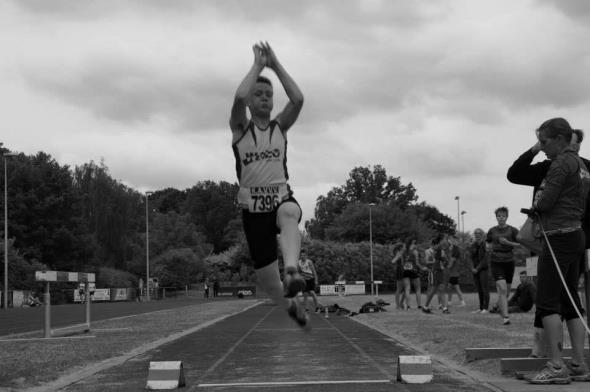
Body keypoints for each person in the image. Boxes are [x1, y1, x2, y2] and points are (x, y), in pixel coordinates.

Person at [230, 42, 307, 328]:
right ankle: (290, 303)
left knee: (290, 213)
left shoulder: (280, 127)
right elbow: (238, 96)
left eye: (268, 95)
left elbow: (298, 99)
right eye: (258, 94)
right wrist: (257, 66)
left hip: (280, 199)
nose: (264, 98)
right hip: (253, 213)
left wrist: (275, 65)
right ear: (250, 102)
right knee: (268, 283)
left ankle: (291, 268)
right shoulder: (240, 129)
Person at [507, 128, 590, 361]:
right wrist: (536, 148)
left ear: (562, 142)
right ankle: (576, 362)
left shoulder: (565, 165)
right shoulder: (556, 165)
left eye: (546, 142)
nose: (544, 147)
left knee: (548, 301)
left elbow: (546, 201)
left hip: (562, 237)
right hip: (567, 237)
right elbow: (514, 174)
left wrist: (535, 212)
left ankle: (556, 364)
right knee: (568, 299)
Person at [486, 206, 520, 325]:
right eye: (499, 216)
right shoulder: (492, 230)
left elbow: (520, 244)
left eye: (503, 216)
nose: (501, 218)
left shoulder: (513, 230)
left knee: (506, 292)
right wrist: (488, 246)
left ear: (507, 217)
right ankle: (506, 317)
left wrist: (508, 242)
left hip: (509, 261)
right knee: (502, 288)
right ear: (496, 217)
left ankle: (497, 306)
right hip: (496, 261)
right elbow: (488, 241)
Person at [422, 234, 452, 314]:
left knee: (440, 289)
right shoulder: (438, 247)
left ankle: (443, 308)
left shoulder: (441, 248)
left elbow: (442, 258)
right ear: (441, 240)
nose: (446, 240)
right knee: (434, 289)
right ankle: (427, 307)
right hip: (435, 271)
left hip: (439, 271)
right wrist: (444, 260)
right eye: (445, 239)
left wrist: (445, 261)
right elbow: (435, 259)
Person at [393, 238, 426, 310]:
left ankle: (408, 305)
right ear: (411, 244)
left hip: (405, 271)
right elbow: (417, 263)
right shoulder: (415, 252)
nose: (415, 245)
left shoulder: (403, 251)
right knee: (417, 289)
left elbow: (398, 261)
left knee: (407, 289)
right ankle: (419, 305)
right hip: (413, 271)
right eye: (414, 243)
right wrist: (422, 268)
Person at [470, 228, 490, 313]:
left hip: (483, 269)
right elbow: (470, 258)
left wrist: (477, 268)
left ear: (482, 235)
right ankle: (481, 307)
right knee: (479, 289)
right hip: (474, 270)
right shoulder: (472, 245)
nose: (477, 235)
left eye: (479, 234)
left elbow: (485, 259)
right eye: (476, 234)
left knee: (484, 289)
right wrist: (472, 268)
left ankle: (485, 308)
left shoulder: (486, 245)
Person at [447, 236, 466, 307]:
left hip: (453, 274)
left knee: (455, 288)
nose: (450, 247)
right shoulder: (454, 255)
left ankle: (462, 302)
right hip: (454, 274)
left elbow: (450, 265)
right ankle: (450, 302)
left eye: (451, 246)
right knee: (451, 288)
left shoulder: (454, 256)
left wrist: (445, 267)